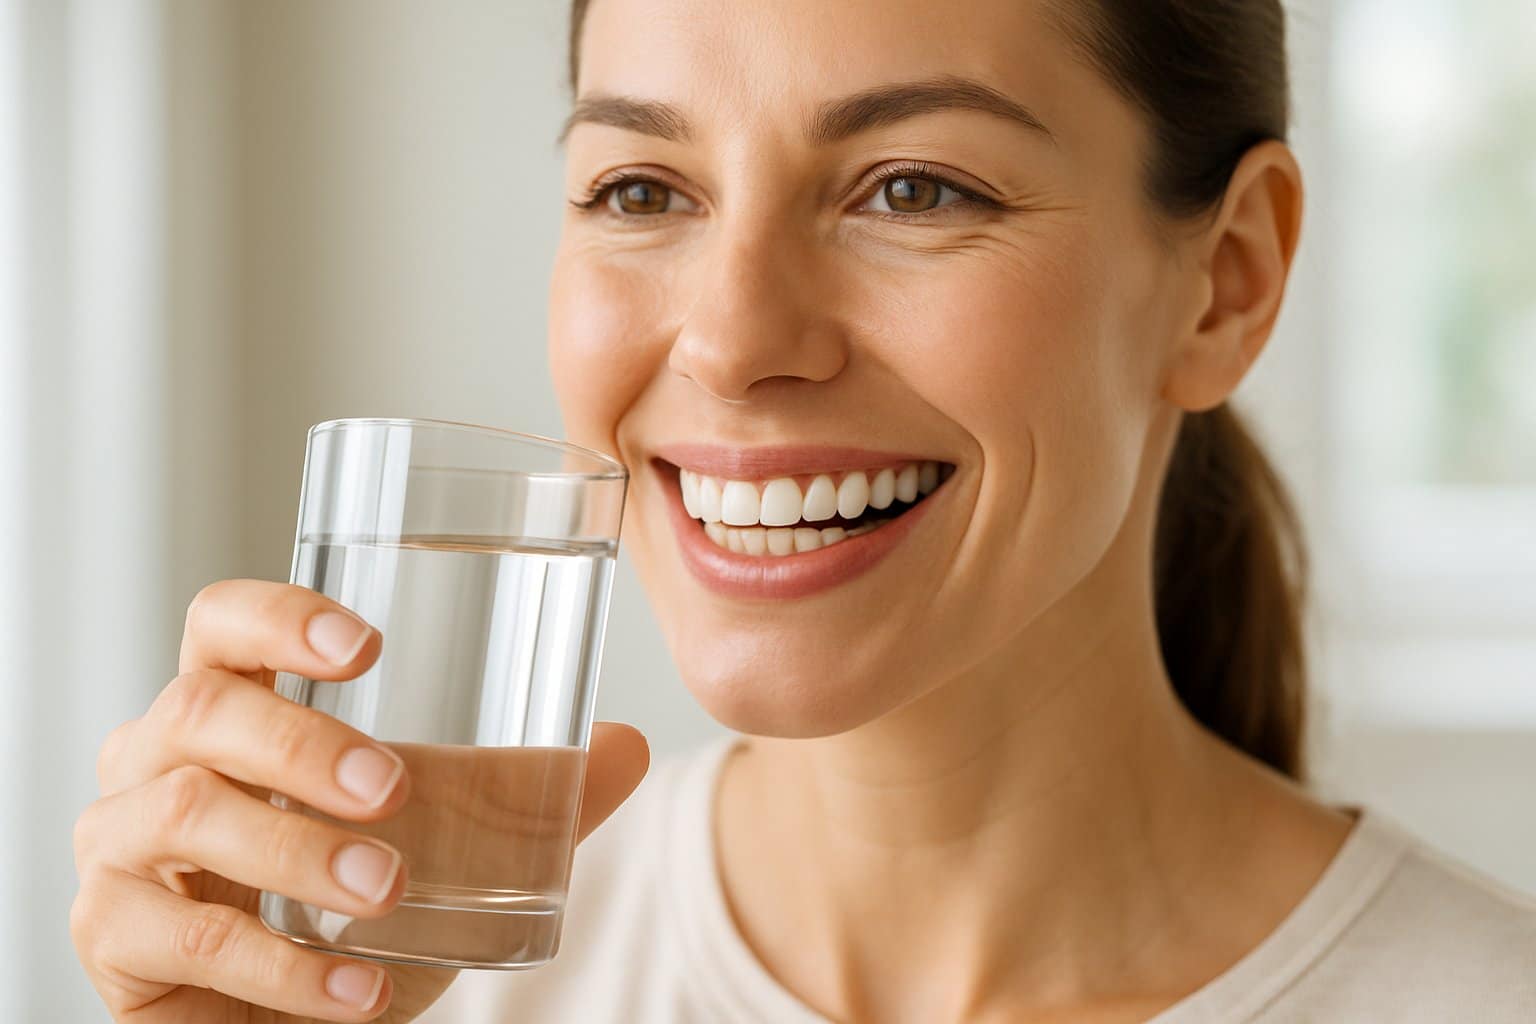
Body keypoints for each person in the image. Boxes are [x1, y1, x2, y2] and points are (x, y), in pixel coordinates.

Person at [71, 1, 1536, 1021]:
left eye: (911, 186)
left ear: (1226, 282)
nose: (731, 337)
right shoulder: (407, 988)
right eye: (643, 190)